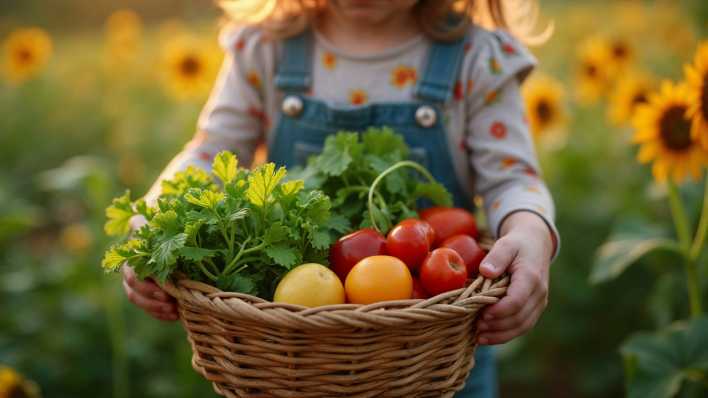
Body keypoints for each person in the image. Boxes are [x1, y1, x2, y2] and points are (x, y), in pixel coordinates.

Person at [120, 1, 560, 396]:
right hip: (286, 364)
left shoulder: (477, 59)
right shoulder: (267, 48)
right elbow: (211, 153)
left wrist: (531, 234)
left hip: (439, 360)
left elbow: (511, 179)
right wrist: (155, 222)